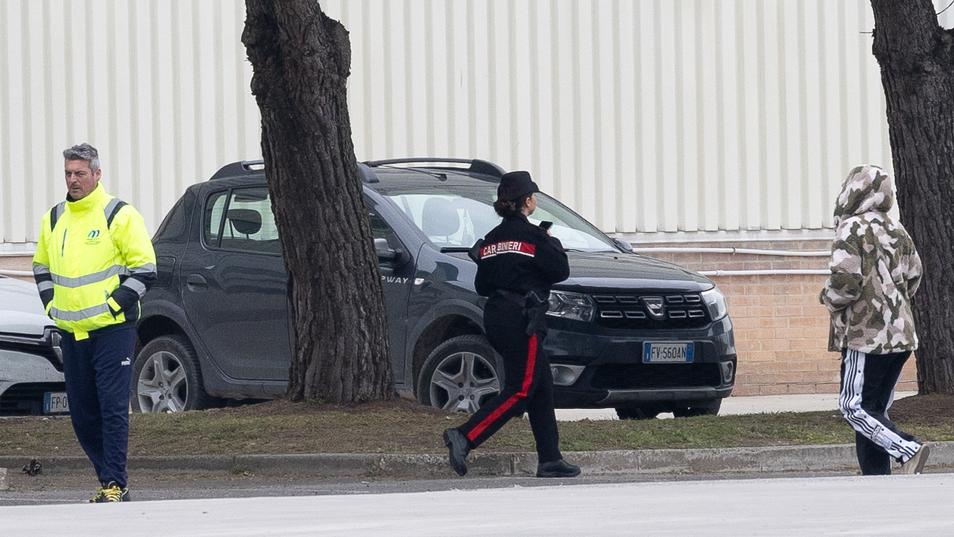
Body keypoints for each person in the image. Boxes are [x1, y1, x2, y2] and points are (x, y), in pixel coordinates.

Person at [32, 143, 156, 502]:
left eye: (80, 173)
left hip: (113, 330)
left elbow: (145, 268)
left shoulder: (119, 214)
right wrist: (51, 304)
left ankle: (115, 482)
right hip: (72, 331)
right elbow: (40, 266)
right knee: (83, 415)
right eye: (68, 173)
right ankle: (110, 480)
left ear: (97, 174)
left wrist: (114, 304)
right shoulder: (54, 218)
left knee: (113, 408)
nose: (73, 180)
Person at [443, 170, 580, 478]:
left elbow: (482, 284)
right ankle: (465, 436)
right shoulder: (534, 237)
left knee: (541, 387)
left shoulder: (491, 240)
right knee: (521, 390)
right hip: (522, 320)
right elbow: (560, 271)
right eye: (533, 197)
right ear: (527, 202)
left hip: (497, 317)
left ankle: (550, 459)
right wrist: (551, 243)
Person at [820, 164, 929, 476]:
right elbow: (914, 274)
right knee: (875, 410)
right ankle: (876, 476)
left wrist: (827, 299)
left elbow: (846, 281)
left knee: (853, 407)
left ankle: (907, 449)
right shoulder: (897, 229)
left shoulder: (850, 229)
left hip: (865, 335)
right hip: (901, 334)